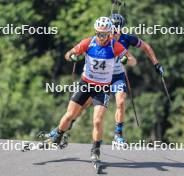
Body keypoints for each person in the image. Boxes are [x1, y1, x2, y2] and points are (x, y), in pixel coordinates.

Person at [46, 16, 136, 161]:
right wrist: (73, 56)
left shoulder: (115, 46)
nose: (101, 37)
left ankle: (96, 149)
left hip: (102, 89)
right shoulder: (88, 42)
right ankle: (59, 133)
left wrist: (127, 59)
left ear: (109, 33)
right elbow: (68, 54)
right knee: (69, 115)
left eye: (104, 34)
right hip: (85, 85)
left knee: (97, 121)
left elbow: (133, 61)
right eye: (99, 34)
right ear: (95, 32)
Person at [69, 13, 165, 144]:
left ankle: (118, 134)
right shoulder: (103, 40)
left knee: (120, 101)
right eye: (114, 28)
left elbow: (146, 47)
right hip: (99, 79)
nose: (116, 31)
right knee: (85, 103)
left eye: (119, 28)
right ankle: (68, 126)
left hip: (117, 76)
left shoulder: (127, 39)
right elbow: (86, 48)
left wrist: (156, 63)